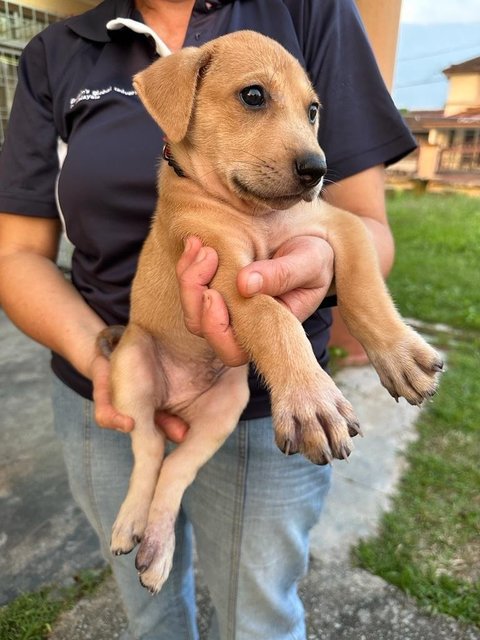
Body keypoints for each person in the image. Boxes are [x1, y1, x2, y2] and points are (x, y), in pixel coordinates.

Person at [0, 1, 415, 638]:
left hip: (255, 399)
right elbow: (16, 253)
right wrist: (97, 358)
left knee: (262, 616)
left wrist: (347, 298)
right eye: (254, 98)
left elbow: (359, 228)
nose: (309, 152)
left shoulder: (311, 11)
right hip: (113, 368)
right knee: (151, 613)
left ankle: (163, 492)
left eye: (309, 114)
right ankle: (150, 495)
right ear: (177, 108)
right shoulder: (59, 52)